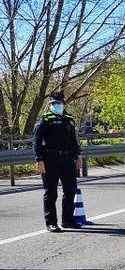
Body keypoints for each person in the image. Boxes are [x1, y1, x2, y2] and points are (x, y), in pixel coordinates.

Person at [33, 91, 82, 232]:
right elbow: (36, 141)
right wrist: (39, 159)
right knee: (51, 192)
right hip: (50, 159)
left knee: (70, 190)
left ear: (64, 104)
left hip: (67, 159)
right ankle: (51, 223)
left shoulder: (69, 119)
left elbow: (73, 140)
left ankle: (68, 220)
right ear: (49, 105)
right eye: (53, 104)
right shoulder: (45, 120)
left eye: (59, 103)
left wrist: (78, 155)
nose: (56, 105)